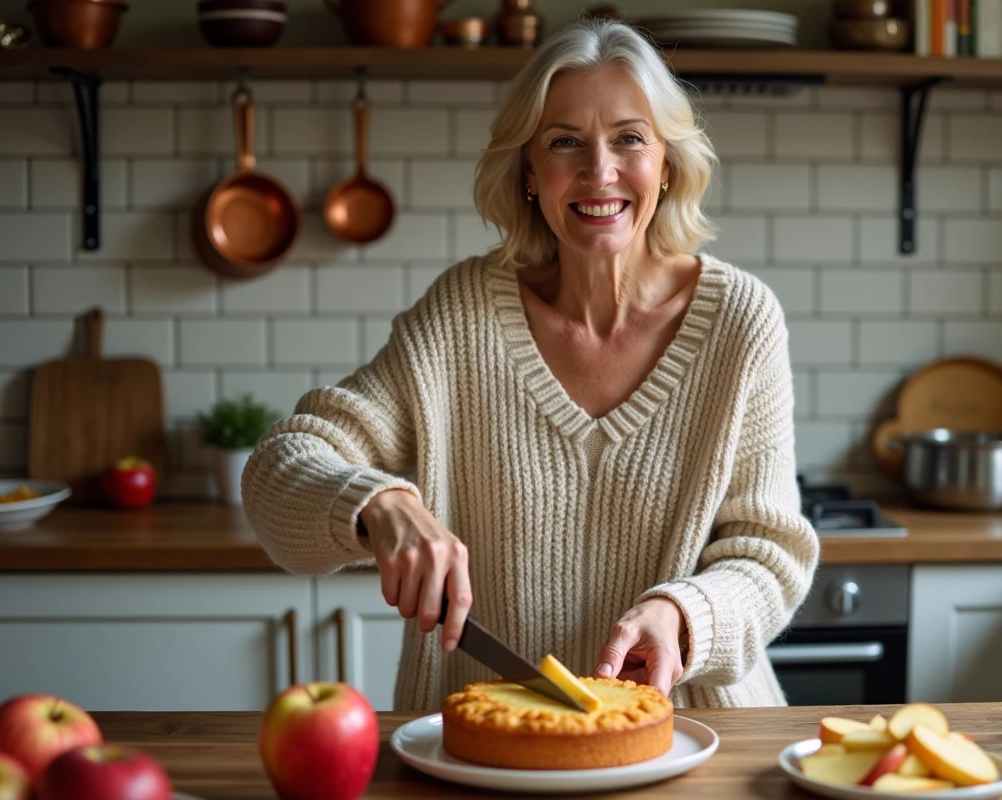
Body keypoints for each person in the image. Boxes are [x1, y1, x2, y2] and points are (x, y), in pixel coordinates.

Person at [241, 16, 819, 712]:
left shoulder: (740, 320)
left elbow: (769, 554)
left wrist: (685, 616)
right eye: (565, 143)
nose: (598, 171)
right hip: (487, 747)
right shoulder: (462, 316)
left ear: (667, 165)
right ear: (528, 172)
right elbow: (278, 471)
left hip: (696, 739)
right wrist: (378, 503)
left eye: (629, 139)